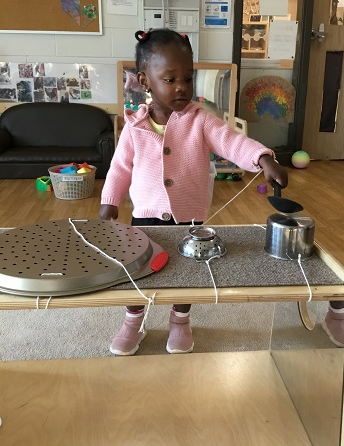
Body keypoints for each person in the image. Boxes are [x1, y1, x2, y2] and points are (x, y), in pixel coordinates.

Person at [99, 28, 288, 356]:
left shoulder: (201, 121)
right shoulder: (134, 128)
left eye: (188, 78)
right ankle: (133, 321)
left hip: (190, 218)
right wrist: (109, 201)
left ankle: (180, 319)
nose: (182, 87)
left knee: (186, 272)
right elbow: (119, 168)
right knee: (139, 271)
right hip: (144, 218)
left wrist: (262, 157)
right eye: (170, 80)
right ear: (145, 81)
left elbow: (232, 142)